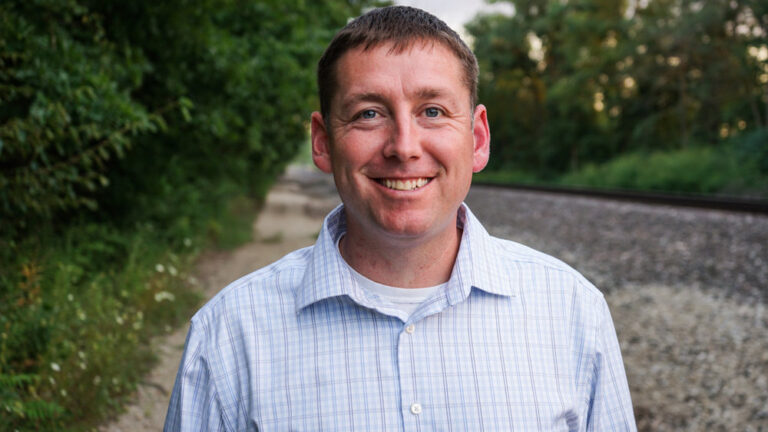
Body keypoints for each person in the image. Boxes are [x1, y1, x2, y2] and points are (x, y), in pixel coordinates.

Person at [164, 6, 636, 431]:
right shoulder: (228, 334)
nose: (404, 146)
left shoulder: (574, 312)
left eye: (432, 111)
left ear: (476, 138)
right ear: (323, 141)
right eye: (369, 113)